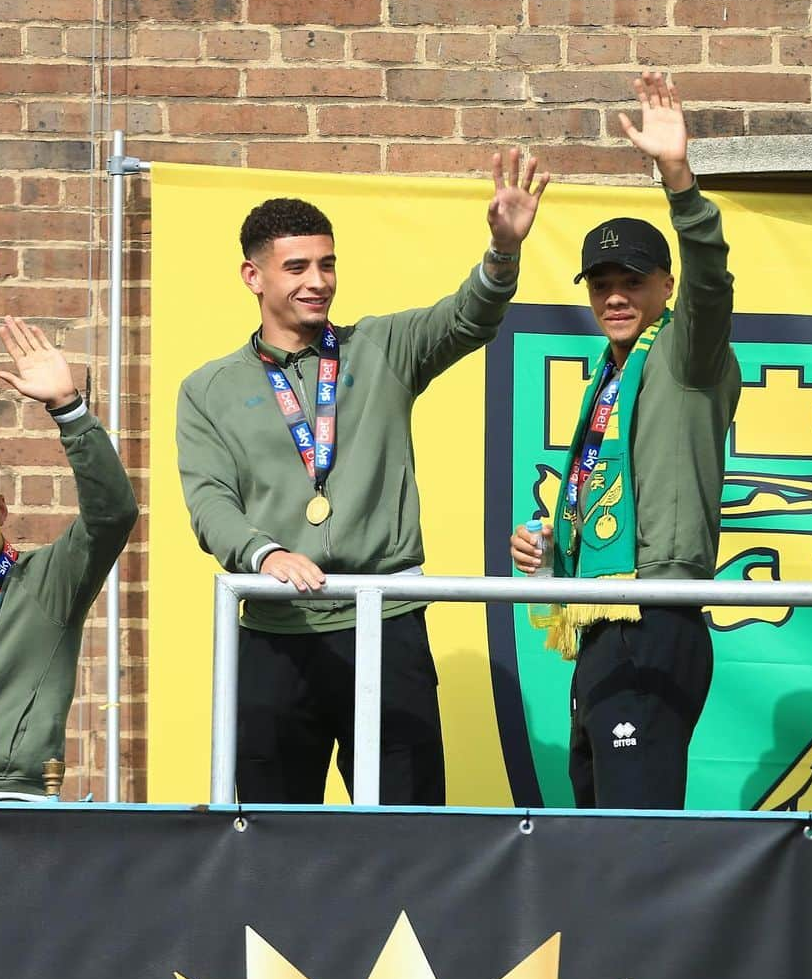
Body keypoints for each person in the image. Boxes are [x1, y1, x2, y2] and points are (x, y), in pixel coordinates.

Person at [177, 150, 548, 805]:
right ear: (252, 276)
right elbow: (209, 503)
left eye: (327, 264)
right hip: (275, 634)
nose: (317, 281)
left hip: (387, 626)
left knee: (407, 834)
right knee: (270, 837)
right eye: (296, 267)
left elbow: (468, 317)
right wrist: (265, 552)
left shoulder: (380, 348)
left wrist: (502, 254)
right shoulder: (207, 388)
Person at [510, 73, 740, 810]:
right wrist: (553, 560)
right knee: (598, 824)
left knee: (636, 835)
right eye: (601, 281)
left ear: (665, 286)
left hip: (657, 617)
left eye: (633, 281)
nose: (615, 295)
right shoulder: (606, 383)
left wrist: (678, 178)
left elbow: (713, 282)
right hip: (605, 629)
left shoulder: (685, 356)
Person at [0, 316, 138, 800]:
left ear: (1, 510)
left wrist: (69, 410)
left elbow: (112, 516)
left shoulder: (45, 583)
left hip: (9, 804)